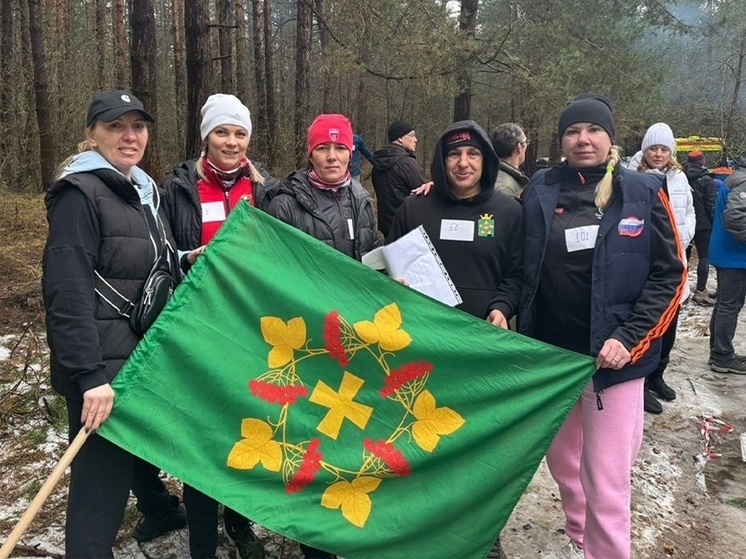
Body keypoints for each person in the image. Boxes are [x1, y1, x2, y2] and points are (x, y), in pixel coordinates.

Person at [519, 94, 684, 559]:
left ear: (610, 138)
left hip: (613, 360)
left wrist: (628, 338)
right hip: (553, 357)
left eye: (592, 130)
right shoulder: (540, 188)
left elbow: (671, 274)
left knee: (606, 478)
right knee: (563, 464)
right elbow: (514, 251)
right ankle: (580, 536)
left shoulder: (643, 190)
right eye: (572, 132)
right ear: (562, 139)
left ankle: (607, 551)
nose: (582, 139)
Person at [42, 90, 186, 558]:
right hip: (102, 370)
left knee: (132, 460)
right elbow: (68, 288)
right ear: (92, 134)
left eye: (138, 126)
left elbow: (139, 266)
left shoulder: (142, 190)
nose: (129, 136)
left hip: (139, 358)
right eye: (115, 126)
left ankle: (159, 509)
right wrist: (89, 377)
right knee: (98, 497)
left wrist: (185, 259)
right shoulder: (79, 194)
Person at [387, 120, 523, 559]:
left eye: (472, 155)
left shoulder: (508, 212)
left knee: (476, 446)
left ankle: (481, 534)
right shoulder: (415, 207)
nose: (462, 164)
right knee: (419, 439)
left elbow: (518, 274)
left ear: (486, 160)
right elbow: (391, 269)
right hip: (422, 349)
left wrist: (502, 308)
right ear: (439, 161)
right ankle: (418, 527)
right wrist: (397, 285)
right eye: (452, 155)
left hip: (482, 352)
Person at [161, 93, 276, 558]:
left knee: (247, 427)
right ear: (205, 136)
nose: (231, 142)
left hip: (251, 331)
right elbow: (161, 256)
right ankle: (203, 540)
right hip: (201, 330)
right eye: (222, 132)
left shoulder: (265, 190)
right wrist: (188, 259)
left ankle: (240, 521)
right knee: (203, 433)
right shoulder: (178, 189)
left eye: (240, 133)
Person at [267, 113, 378, 558]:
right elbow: (275, 273)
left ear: (351, 153)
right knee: (309, 438)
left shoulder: (362, 197)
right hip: (309, 344)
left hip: (353, 342)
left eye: (340, 149)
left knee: (347, 435)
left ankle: (346, 524)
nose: (332, 157)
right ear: (309, 152)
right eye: (323, 149)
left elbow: (371, 259)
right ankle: (311, 538)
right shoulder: (286, 203)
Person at [626, 123, 695, 414]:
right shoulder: (633, 176)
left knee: (670, 325)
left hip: (676, 257)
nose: (658, 154)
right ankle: (639, 383)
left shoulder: (679, 177)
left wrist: (682, 237)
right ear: (645, 149)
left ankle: (657, 376)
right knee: (649, 325)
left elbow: (689, 212)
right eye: (653, 148)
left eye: (664, 149)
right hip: (645, 260)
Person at [708, 156, 746, 374]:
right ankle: (722, 355)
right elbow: (734, 218)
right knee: (730, 305)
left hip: (729, 254)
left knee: (725, 304)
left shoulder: (736, 177)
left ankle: (720, 351)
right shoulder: (743, 181)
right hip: (734, 256)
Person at [371, 120, 428, 237]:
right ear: (400, 138)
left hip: (387, 227)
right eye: (412, 135)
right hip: (406, 228)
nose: (415, 140)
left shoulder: (378, 163)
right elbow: (423, 194)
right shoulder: (406, 163)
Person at [684, 150, 718, 305]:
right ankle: (701, 291)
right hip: (703, 225)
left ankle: (680, 290)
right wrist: (714, 222)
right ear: (702, 162)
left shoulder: (681, 177)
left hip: (685, 222)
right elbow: (711, 205)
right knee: (704, 256)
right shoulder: (706, 180)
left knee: (683, 257)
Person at [490, 123, 530, 198]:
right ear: (519, 147)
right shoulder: (504, 188)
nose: (527, 146)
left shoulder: (491, 174)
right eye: (525, 142)